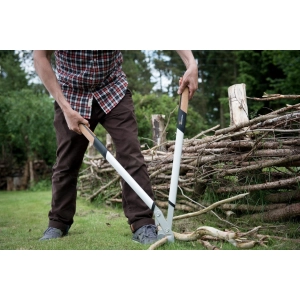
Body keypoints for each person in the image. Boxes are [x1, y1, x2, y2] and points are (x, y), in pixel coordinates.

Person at [33, 50, 198, 244]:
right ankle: (58, 223)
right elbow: (40, 56)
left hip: (112, 91)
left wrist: (191, 64)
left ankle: (143, 223)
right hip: (70, 96)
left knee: (131, 156)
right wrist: (65, 109)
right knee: (66, 164)